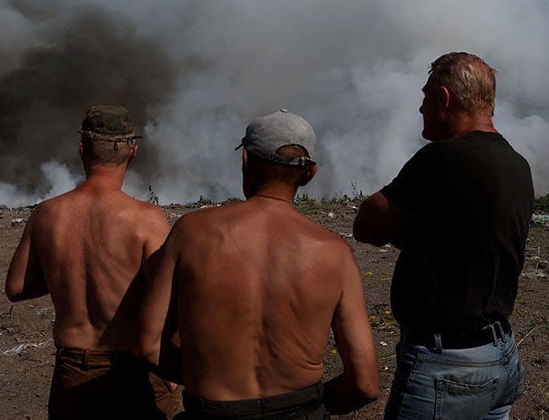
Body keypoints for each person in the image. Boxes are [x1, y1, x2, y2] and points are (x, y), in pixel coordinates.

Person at [138, 110, 379, 420]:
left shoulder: (191, 233)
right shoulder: (335, 253)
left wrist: (204, 377)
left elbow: (147, 344)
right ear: (310, 173)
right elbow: (366, 384)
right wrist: (313, 408)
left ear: (246, 162)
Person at [353, 52, 532, 420]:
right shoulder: (517, 163)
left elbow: (367, 223)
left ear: (443, 98)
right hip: (501, 354)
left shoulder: (443, 159)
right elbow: (468, 241)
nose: (420, 108)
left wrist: (405, 233)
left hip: (447, 364)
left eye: (424, 97)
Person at [5, 105, 180, 420]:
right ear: (133, 152)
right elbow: (171, 299)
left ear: (82, 149)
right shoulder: (146, 219)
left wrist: (64, 273)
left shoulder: (47, 214)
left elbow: (16, 288)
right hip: (135, 371)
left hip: (74, 368)